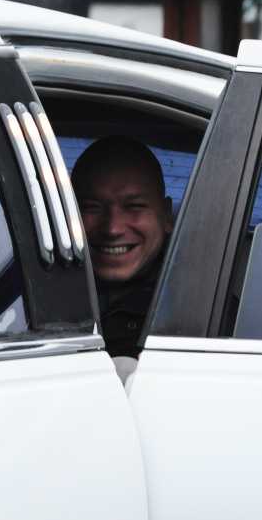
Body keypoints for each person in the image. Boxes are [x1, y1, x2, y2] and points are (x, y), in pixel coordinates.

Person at [71, 136, 174, 357]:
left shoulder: (196, 304)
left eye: (134, 206)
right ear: (69, 213)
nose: (112, 228)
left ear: (167, 215)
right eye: (92, 207)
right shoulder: (32, 294)